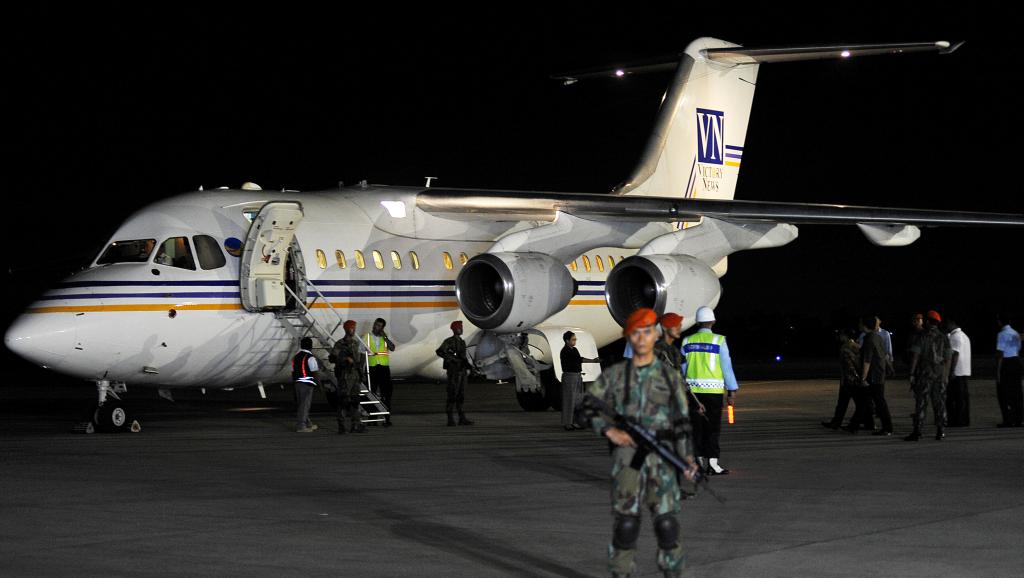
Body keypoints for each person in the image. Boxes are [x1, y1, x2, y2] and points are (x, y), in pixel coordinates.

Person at [580, 308, 698, 578]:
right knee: (626, 525)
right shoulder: (615, 376)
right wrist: (609, 430)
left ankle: (672, 572)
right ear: (629, 338)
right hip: (628, 460)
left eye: (647, 331)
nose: (642, 338)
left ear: (654, 334)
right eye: (636, 333)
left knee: (667, 525)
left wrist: (688, 458)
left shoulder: (670, 378)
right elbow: (587, 408)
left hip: (664, 458)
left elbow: (681, 422)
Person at [681, 306, 739, 475]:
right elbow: (726, 367)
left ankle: (698, 463)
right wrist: (732, 390)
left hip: (692, 394)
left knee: (696, 428)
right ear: (713, 321)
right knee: (712, 428)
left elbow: (682, 368)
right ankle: (713, 464)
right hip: (713, 392)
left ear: (697, 322)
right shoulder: (719, 341)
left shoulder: (687, 341)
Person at [906, 310, 952, 441]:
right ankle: (940, 431)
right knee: (940, 403)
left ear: (927, 322)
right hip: (940, 375)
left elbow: (915, 356)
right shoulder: (944, 338)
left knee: (921, 403)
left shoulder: (922, 336)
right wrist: (946, 375)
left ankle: (917, 431)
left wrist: (911, 373)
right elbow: (949, 358)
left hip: (925, 375)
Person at [823, 328, 868, 431]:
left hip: (850, 380)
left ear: (846, 336)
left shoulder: (845, 348)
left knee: (855, 403)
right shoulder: (856, 346)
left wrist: (857, 378)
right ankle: (839, 422)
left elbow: (849, 366)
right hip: (852, 379)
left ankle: (851, 424)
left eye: (841, 335)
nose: (839, 337)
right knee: (846, 402)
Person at [859, 314, 894, 436]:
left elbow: (867, 360)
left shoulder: (869, 339)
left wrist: (863, 377)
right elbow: (885, 355)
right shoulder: (878, 337)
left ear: (864, 325)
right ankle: (859, 424)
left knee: (879, 402)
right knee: (866, 399)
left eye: (860, 323)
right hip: (880, 373)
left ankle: (888, 428)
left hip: (874, 375)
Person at [329, 320, 366, 434]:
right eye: (352, 328)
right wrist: (344, 359)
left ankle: (355, 424)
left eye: (354, 328)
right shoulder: (340, 344)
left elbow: (360, 359)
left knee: (355, 400)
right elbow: (332, 358)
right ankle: (341, 426)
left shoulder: (356, 343)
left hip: (355, 375)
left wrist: (361, 373)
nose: (354, 330)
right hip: (344, 376)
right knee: (343, 401)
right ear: (347, 329)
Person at [436, 321, 474, 426]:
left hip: (461, 371)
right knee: (452, 394)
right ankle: (450, 419)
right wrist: (453, 359)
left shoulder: (462, 342)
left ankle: (462, 418)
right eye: (459, 327)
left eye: (461, 327)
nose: (461, 329)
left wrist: (469, 366)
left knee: (461, 395)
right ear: (454, 329)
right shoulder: (449, 341)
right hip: (453, 371)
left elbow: (463, 357)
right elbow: (440, 351)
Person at [559, 331, 599, 430]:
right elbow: (578, 360)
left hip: (576, 375)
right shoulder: (565, 351)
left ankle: (575, 422)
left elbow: (579, 359)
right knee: (569, 400)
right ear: (567, 340)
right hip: (569, 376)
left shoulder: (574, 349)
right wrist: (592, 361)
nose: (575, 341)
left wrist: (592, 361)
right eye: (573, 339)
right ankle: (567, 423)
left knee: (577, 400)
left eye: (575, 339)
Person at [365, 318, 396, 426]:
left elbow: (392, 348)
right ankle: (373, 418)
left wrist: (385, 337)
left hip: (383, 368)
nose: (375, 327)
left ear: (382, 328)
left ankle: (387, 418)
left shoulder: (385, 338)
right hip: (372, 367)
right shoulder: (367, 337)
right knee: (371, 393)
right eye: (375, 324)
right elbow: (361, 352)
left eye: (378, 325)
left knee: (386, 394)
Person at [995, 315, 1022, 427]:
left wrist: (998, 371)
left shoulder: (1001, 334)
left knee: (1004, 393)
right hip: (1016, 361)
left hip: (1007, 363)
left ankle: (1008, 419)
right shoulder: (1015, 333)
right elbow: (1018, 348)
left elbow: (1000, 353)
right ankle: (1019, 418)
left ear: (1000, 322)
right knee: (1017, 392)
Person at [944, 318, 972, 427]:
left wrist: (951, 370)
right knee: (963, 398)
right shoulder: (964, 336)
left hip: (957, 373)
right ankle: (964, 420)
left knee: (953, 399)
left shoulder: (955, 336)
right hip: (964, 371)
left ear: (952, 323)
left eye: (947, 324)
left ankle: (956, 420)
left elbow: (955, 354)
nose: (946, 327)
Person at [292, 337, 320, 433]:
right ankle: (301, 426)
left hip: (297, 383)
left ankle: (307, 423)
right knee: (305, 405)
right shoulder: (310, 358)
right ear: (311, 346)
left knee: (301, 404)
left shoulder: (295, 357)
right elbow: (314, 372)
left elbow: (293, 371)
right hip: (307, 384)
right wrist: (319, 385)